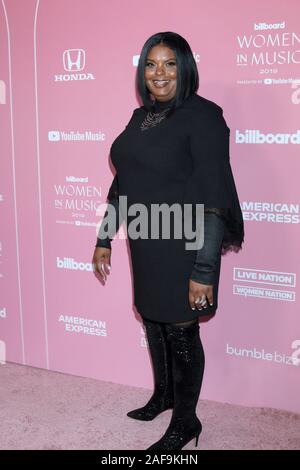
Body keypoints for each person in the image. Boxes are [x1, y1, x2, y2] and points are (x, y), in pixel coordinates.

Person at [92, 31, 244, 451]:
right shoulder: (140, 117)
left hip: (185, 243)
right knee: (154, 319)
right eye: (151, 64)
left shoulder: (205, 116)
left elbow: (215, 198)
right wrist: (105, 236)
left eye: (169, 64)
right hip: (146, 239)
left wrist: (205, 269)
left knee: (180, 330)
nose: (159, 73)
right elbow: (124, 180)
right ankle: (164, 396)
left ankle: (185, 422)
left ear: (185, 67)